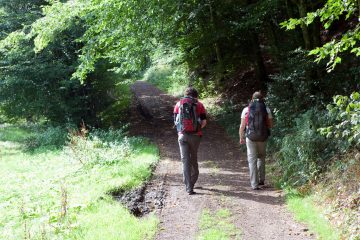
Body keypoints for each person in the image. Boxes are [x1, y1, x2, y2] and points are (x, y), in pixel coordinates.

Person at [173, 87, 207, 195]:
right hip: (195, 136)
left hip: (182, 136)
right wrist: (197, 128)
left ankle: (188, 186)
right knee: (193, 159)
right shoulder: (199, 105)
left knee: (185, 161)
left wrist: (182, 131)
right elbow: (204, 122)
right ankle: (192, 182)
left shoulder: (179, 104)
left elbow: (175, 121)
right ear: (196, 95)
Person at [239, 91, 273, 190]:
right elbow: (271, 125)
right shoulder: (266, 109)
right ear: (262, 99)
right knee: (261, 157)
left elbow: (242, 126)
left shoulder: (246, 109)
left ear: (252, 98)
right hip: (263, 137)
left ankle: (254, 184)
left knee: (252, 160)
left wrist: (241, 137)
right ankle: (262, 179)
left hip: (250, 137)